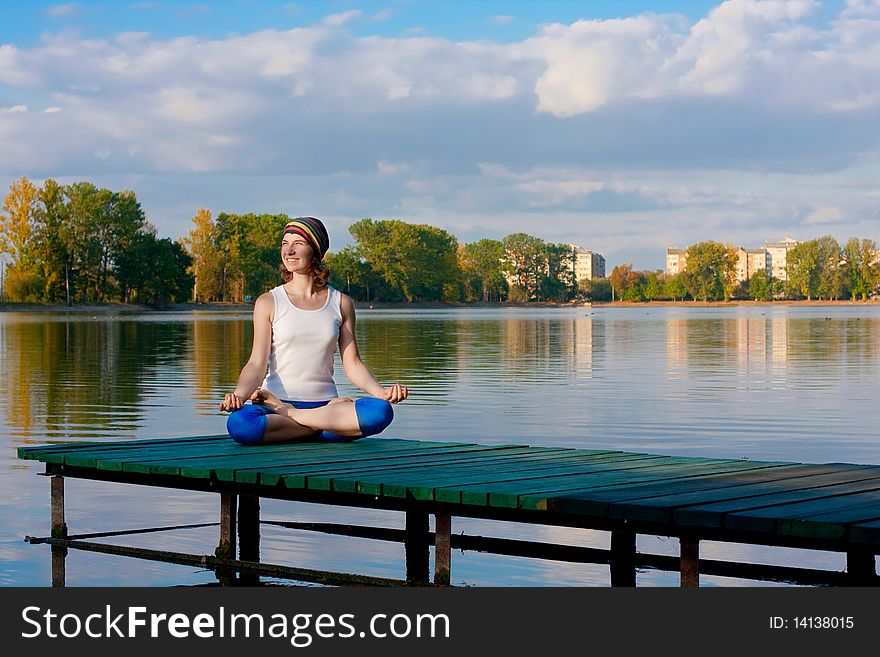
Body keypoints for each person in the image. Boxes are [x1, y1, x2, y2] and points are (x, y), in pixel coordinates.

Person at [218, 216, 408, 445]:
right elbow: (256, 363)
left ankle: (297, 419)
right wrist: (239, 395)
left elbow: (353, 363)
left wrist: (381, 393)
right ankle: (325, 428)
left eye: (298, 243)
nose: (288, 250)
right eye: (284, 243)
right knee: (240, 424)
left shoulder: (341, 303)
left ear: (315, 251)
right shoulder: (269, 301)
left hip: (322, 407)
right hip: (276, 405)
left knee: (380, 411)